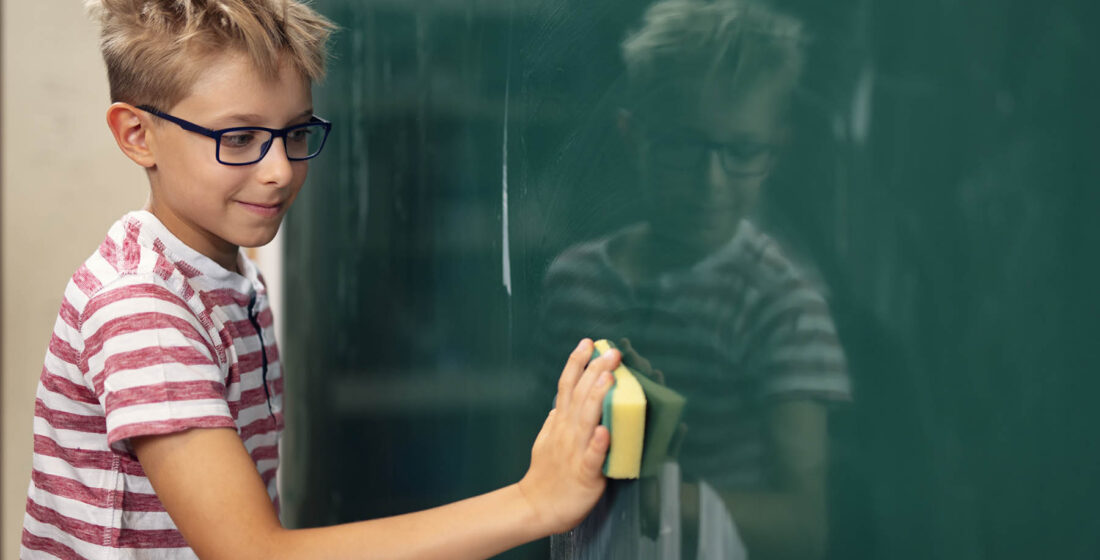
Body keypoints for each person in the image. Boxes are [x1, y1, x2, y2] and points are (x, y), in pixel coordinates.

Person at [21, 1, 620, 558]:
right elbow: (253, 553)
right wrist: (534, 503)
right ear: (137, 134)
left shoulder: (223, 275)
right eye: (240, 139)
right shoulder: (141, 304)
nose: (280, 170)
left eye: (296, 133)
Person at [540, 1, 851, 558]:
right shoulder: (574, 280)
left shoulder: (786, 305)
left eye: (742, 150)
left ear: (775, 148)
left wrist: (650, 496)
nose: (712, 181)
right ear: (634, 137)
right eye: (685, 146)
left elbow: (807, 524)